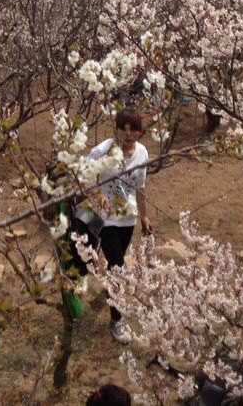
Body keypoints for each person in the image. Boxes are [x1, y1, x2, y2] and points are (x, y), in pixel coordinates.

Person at [68, 109, 153, 343]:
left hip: (128, 219)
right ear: (116, 129)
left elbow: (140, 187)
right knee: (118, 267)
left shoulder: (142, 152)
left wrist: (144, 217)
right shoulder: (102, 151)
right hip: (105, 219)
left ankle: (110, 292)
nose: (128, 137)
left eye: (133, 133)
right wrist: (98, 195)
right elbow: (83, 177)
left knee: (117, 265)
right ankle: (117, 321)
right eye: (124, 131)